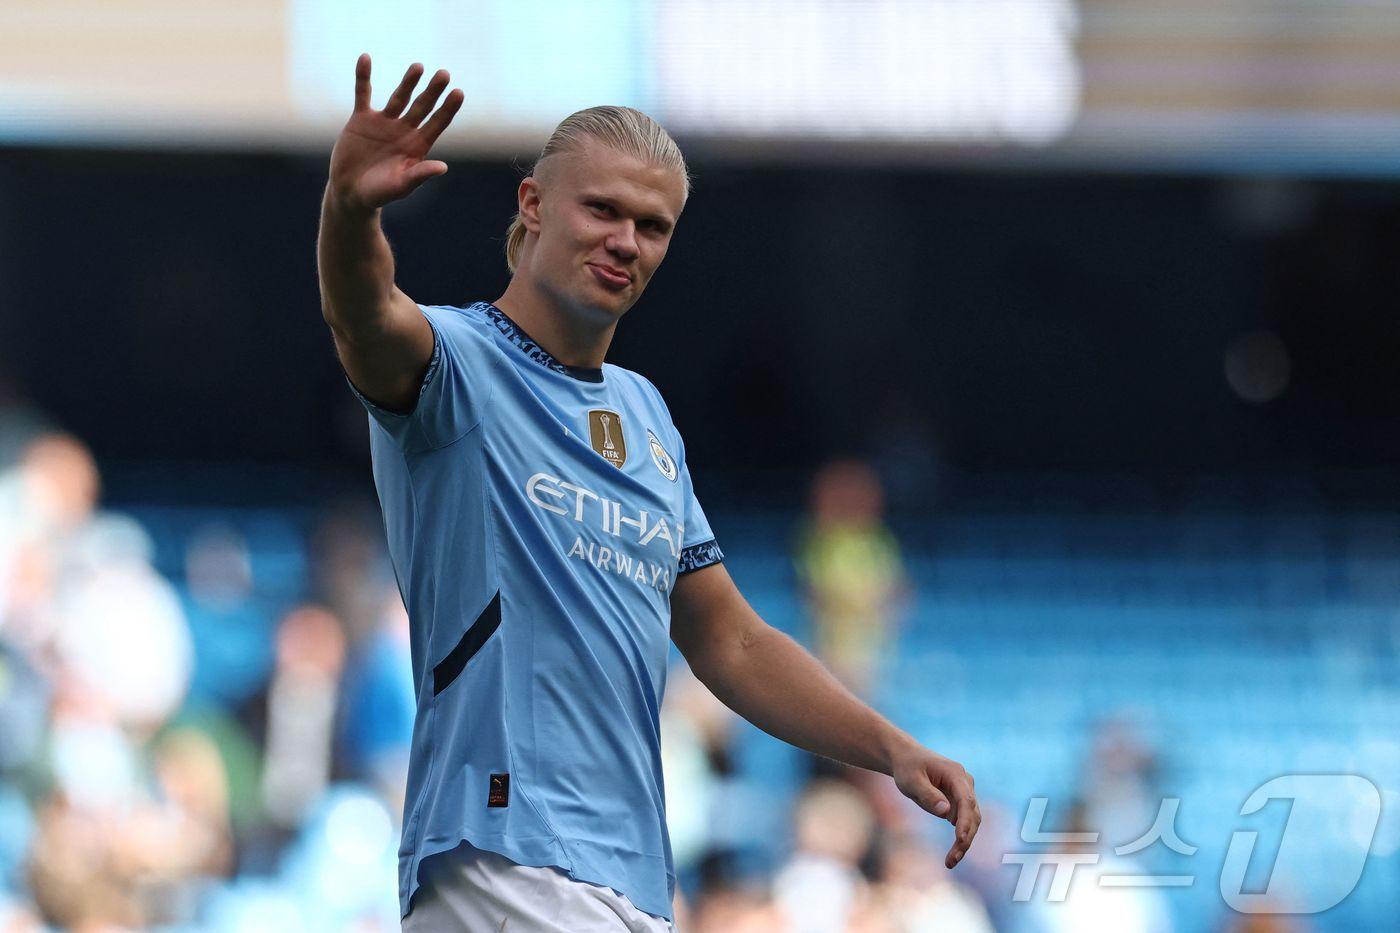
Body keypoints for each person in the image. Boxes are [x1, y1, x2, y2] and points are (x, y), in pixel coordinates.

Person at [317, 54, 981, 932]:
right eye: (603, 209)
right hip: (501, 858)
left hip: (628, 877)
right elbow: (364, 313)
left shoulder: (646, 416)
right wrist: (349, 208)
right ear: (533, 205)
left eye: (653, 224)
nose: (627, 240)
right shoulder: (456, 367)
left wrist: (888, 746)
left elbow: (730, 639)